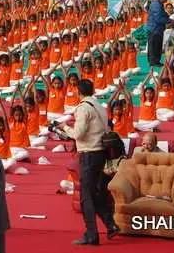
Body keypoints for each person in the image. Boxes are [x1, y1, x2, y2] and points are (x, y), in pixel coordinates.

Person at [61, 78, 118, 246]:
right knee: (93, 193)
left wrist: (65, 127)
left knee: (86, 197)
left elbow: (78, 134)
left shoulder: (82, 108)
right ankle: (110, 224)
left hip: (89, 154)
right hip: (100, 153)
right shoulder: (99, 106)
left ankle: (91, 234)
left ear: (78, 92)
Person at [145, 0, 171, 67]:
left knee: (156, 45)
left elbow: (161, 14)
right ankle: (154, 62)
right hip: (155, 28)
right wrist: (168, 20)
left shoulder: (158, 4)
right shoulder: (156, 5)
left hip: (156, 28)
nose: (166, 1)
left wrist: (166, 16)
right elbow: (158, 18)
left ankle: (155, 61)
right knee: (154, 46)